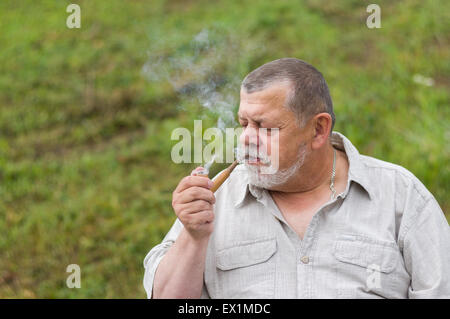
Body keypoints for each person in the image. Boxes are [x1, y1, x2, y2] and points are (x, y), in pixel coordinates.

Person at [143, 58, 450, 298]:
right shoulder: (215, 200)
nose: (247, 139)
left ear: (318, 129)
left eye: (265, 127)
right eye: (244, 123)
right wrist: (193, 236)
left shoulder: (401, 195)